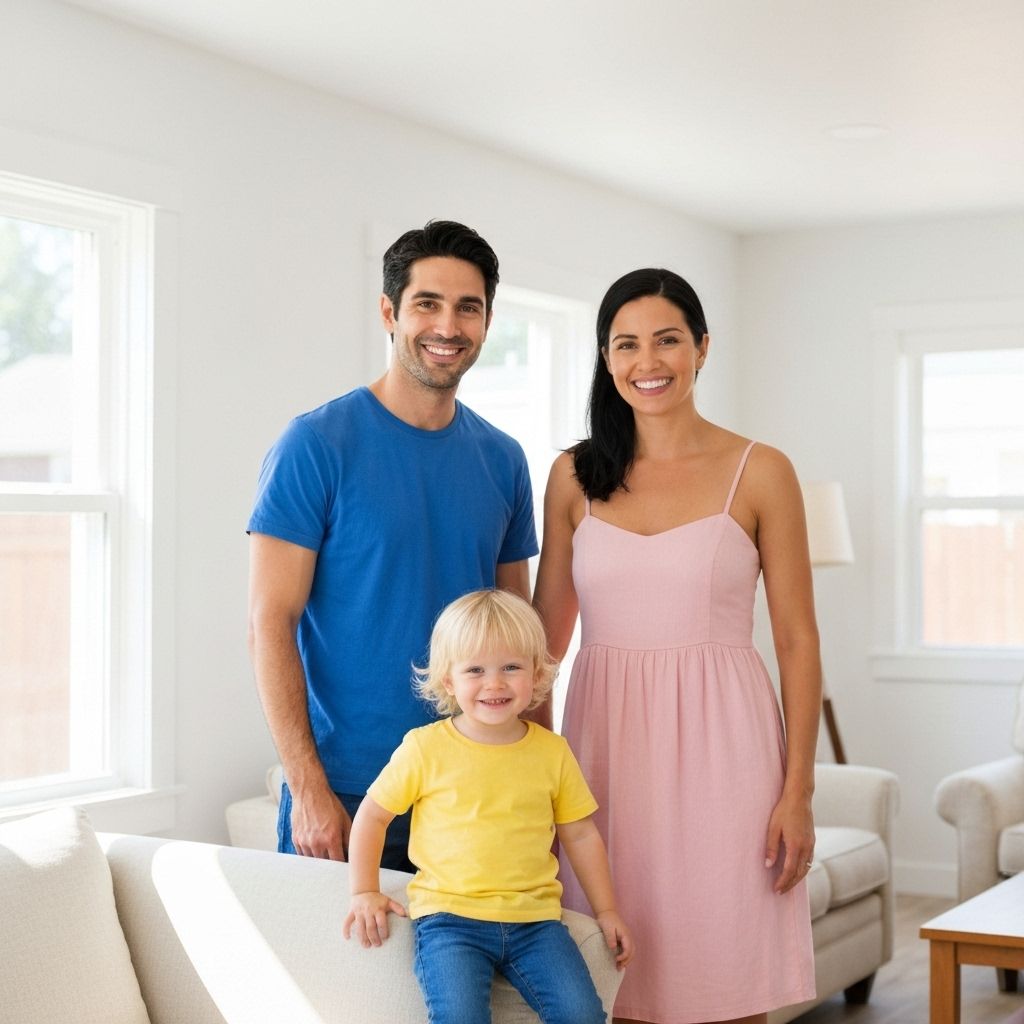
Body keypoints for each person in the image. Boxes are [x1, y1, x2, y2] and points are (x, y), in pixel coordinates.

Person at [532, 269, 820, 1024]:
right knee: (610, 982)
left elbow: (796, 640)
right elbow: (542, 645)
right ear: (605, 357)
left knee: (727, 979)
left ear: (701, 349)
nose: (647, 361)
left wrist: (798, 791)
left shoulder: (762, 470)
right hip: (601, 761)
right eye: (626, 344)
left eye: (667, 339)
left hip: (728, 760)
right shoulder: (571, 476)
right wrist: (530, 784)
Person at [247, 221, 537, 871]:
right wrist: (309, 788)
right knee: (332, 977)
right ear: (390, 312)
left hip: (473, 789)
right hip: (348, 792)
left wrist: (530, 779)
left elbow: (520, 636)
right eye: (427, 303)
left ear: (488, 321)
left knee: (472, 977)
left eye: (469, 307)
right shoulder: (316, 444)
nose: (448, 326)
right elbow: (270, 623)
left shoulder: (503, 460)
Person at [342, 589, 633, 1024]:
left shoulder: (552, 753)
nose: (494, 683)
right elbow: (373, 815)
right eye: (475, 669)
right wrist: (364, 890)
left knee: (583, 1013)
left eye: (511, 667)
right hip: (449, 922)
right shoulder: (425, 748)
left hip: (536, 923)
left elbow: (580, 833)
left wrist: (607, 910)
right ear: (448, 681)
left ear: (535, 674)